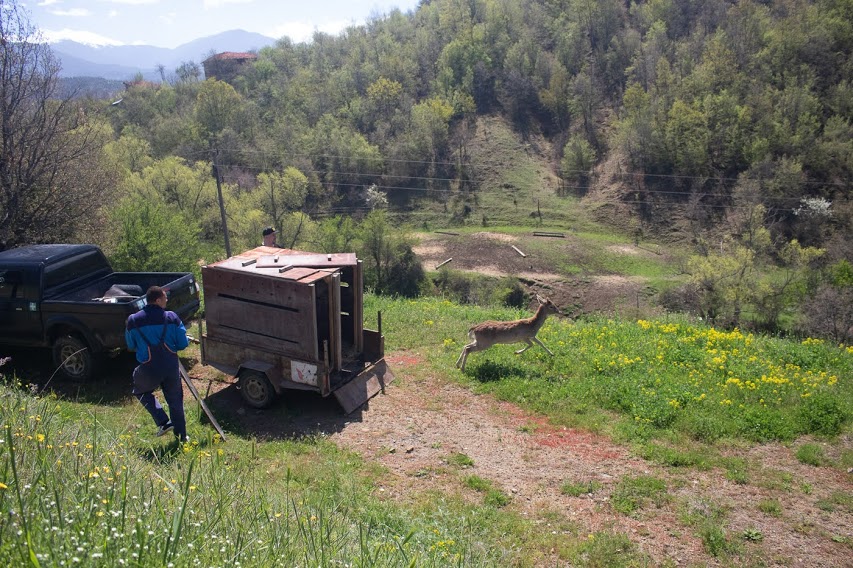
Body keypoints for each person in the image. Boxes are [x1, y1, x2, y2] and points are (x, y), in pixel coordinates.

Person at [125, 286, 190, 443]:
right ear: (158, 300)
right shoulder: (171, 317)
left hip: (148, 367)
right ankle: (181, 437)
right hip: (170, 366)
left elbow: (130, 345)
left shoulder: (133, 320)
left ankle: (163, 421)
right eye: (165, 298)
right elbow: (183, 344)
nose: (167, 300)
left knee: (140, 391)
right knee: (175, 401)